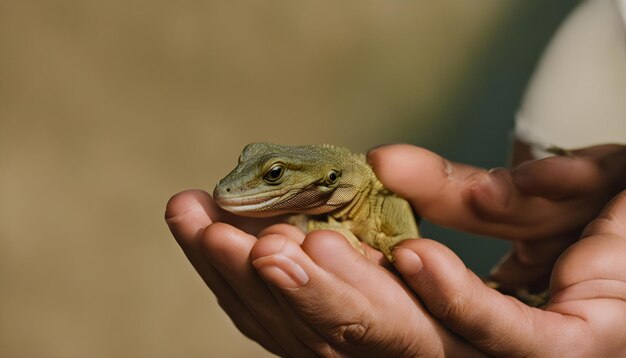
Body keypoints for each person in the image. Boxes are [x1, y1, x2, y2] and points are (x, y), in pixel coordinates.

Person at [165, 0, 626, 356]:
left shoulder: (385, 213)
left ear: (327, 181)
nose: (232, 188)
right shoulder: (327, 210)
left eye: (274, 176)